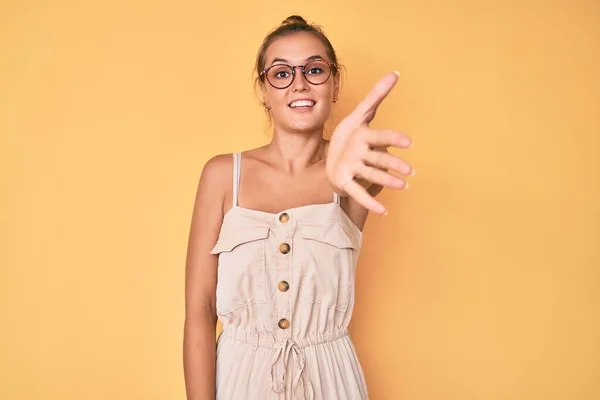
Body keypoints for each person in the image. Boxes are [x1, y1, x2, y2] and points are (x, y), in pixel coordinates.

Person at [183, 15, 413, 400]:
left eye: (315, 69)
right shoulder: (222, 175)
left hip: (330, 381)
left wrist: (344, 161)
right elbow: (200, 310)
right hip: (239, 380)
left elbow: (376, 159)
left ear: (335, 83)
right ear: (263, 89)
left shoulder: (354, 172)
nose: (300, 83)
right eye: (281, 73)